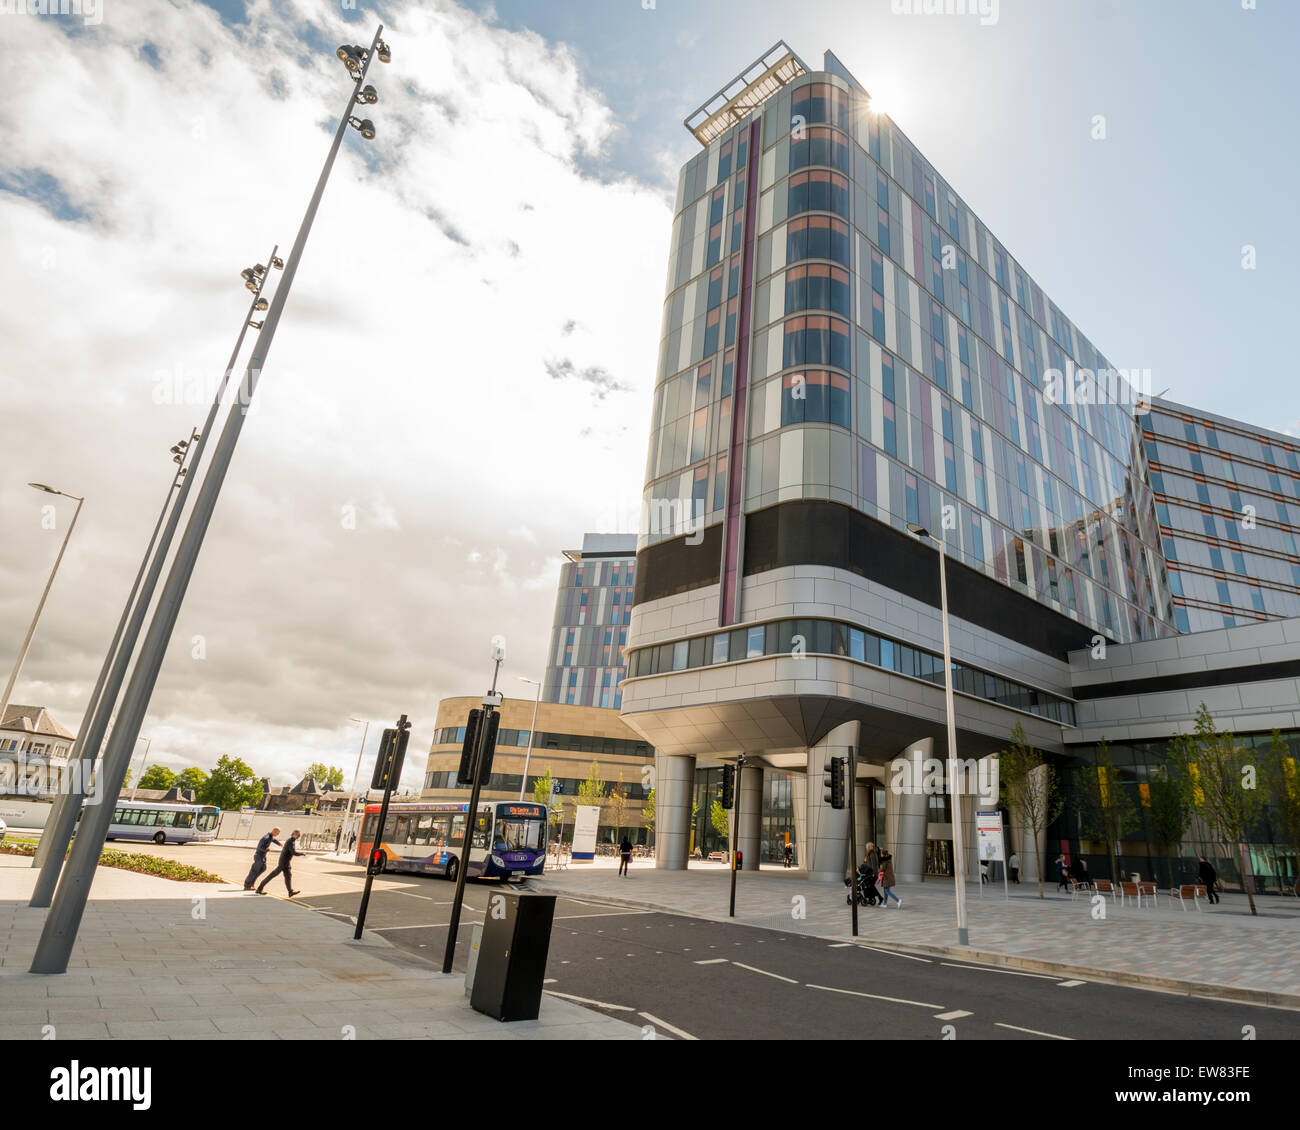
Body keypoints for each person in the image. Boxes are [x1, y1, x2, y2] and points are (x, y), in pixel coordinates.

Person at [257, 829, 303, 896]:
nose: (298, 836)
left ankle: (290, 891)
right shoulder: (291, 841)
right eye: (298, 835)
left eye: (299, 835)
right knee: (272, 875)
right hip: (283, 863)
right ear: (294, 834)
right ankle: (259, 888)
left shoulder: (291, 840)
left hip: (286, 862)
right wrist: (302, 853)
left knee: (288, 876)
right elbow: (293, 852)